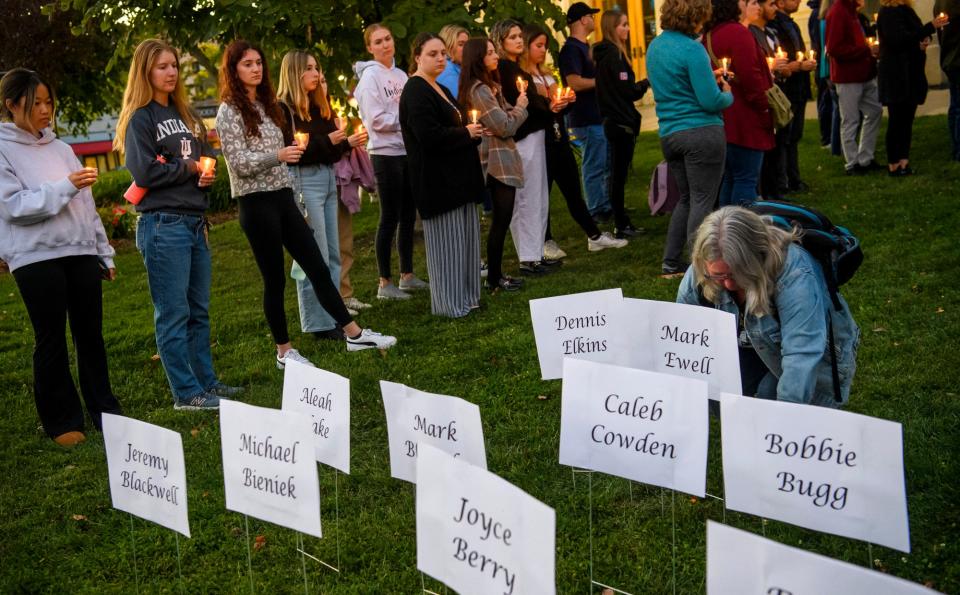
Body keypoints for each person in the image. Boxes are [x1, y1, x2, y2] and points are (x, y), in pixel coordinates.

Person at [216, 40, 396, 366]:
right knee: (274, 279)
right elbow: (239, 163)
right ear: (233, 70)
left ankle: (354, 334)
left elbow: (293, 147)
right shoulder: (228, 111)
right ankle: (284, 352)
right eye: (247, 64)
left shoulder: (272, 107)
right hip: (255, 204)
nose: (256, 68)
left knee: (317, 265)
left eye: (258, 62)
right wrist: (279, 155)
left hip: (284, 197)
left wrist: (295, 150)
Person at [115, 39, 240, 411]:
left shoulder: (186, 115)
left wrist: (205, 172)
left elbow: (205, 156)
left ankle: (206, 382)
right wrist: (186, 169)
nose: (170, 72)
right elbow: (143, 170)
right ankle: (186, 394)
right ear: (145, 72)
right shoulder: (141, 117)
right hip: (162, 224)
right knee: (173, 314)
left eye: (173, 65)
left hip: (194, 222)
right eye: (161, 67)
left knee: (198, 311)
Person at [0, 68, 121, 445]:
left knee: (91, 335)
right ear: (10, 105)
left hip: (80, 252)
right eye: (35, 102)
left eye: (48, 101)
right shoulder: (2, 148)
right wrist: (63, 186)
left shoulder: (63, 149)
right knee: (50, 338)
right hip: (35, 258)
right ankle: (62, 421)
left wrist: (103, 251)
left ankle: (105, 410)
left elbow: (87, 206)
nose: (45, 109)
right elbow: (14, 206)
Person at [677, 207, 860, 407]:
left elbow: (802, 353)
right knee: (717, 400)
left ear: (757, 257)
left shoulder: (795, 273)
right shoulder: (705, 263)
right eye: (719, 276)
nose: (728, 285)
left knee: (770, 398)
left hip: (811, 353)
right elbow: (683, 334)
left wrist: (777, 424)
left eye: (737, 273)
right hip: (751, 343)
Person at [277, 50, 368, 339]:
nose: (316, 74)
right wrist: (326, 142)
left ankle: (333, 314)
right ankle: (318, 323)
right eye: (309, 69)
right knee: (311, 254)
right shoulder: (284, 110)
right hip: (304, 182)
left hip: (328, 177)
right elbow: (294, 154)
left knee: (332, 252)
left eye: (317, 68)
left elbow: (331, 148)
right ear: (294, 73)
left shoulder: (319, 105)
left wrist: (344, 143)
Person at [522, 23, 628, 256]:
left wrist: (565, 102)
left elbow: (558, 108)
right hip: (541, 140)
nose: (543, 51)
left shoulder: (547, 74)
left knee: (572, 189)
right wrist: (551, 106)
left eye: (545, 46)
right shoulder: (524, 78)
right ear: (526, 47)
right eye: (538, 46)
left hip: (559, 136)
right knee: (543, 193)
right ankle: (545, 239)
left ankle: (594, 235)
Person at [400, 33, 486, 316]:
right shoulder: (415, 90)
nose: (440, 59)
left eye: (443, 55)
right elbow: (428, 136)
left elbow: (459, 123)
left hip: (459, 178)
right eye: (433, 54)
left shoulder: (441, 88)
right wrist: (465, 133)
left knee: (466, 243)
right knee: (448, 247)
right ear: (417, 57)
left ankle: (468, 298)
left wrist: (470, 132)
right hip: (437, 181)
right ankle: (450, 305)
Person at [647, 0, 733, 277]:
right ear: (697, 16)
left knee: (685, 199)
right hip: (701, 132)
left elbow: (677, 84)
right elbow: (710, 100)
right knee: (702, 200)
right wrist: (728, 93)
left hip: (670, 133)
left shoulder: (655, 47)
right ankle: (700, 267)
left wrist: (709, 77)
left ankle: (671, 263)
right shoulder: (693, 49)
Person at [354, 23, 428, 301]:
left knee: (409, 214)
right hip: (384, 154)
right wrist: (406, 122)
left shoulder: (400, 74)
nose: (385, 44)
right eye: (378, 41)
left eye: (388, 39)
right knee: (389, 217)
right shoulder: (369, 79)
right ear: (370, 48)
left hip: (406, 150)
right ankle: (384, 282)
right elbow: (375, 121)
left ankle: (407, 275)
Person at [460, 37, 529, 292]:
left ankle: (497, 275)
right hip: (495, 160)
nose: (495, 56)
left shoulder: (492, 86)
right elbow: (505, 125)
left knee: (503, 216)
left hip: (502, 155)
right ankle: (494, 277)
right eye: (489, 52)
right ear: (478, 58)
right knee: (500, 218)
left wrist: (510, 115)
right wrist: (520, 108)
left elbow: (504, 120)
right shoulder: (479, 90)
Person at [492, 19, 559, 274]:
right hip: (523, 137)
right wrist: (546, 107)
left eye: (520, 36)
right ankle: (528, 256)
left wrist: (549, 106)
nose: (519, 40)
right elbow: (522, 105)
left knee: (538, 194)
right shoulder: (505, 69)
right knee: (527, 195)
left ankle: (535, 251)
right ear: (501, 41)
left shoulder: (515, 67)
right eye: (512, 37)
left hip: (535, 133)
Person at [704, 0, 776, 205]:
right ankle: (741, 231)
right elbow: (751, 78)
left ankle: (726, 230)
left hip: (723, 114)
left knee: (730, 177)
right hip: (744, 115)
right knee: (746, 178)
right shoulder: (738, 33)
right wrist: (764, 106)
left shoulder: (710, 34)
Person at [594, 9, 650, 238]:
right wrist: (646, 83)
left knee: (618, 175)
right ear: (612, 28)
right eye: (623, 25)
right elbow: (627, 91)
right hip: (619, 122)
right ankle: (621, 223)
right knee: (618, 176)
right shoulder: (613, 56)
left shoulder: (609, 55)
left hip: (615, 120)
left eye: (628, 24)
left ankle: (621, 220)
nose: (627, 29)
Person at [878, 4, 949, 175]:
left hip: (911, 72)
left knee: (907, 120)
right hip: (897, 74)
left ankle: (904, 160)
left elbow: (915, 33)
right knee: (897, 120)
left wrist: (925, 39)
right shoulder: (888, 13)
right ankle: (894, 163)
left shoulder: (907, 10)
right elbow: (898, 40)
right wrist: (930, 27)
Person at [559, 1, 612, 223]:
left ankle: (605, 203)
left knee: (604, 161)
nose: (593, 19)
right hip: (585, 117)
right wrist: (601, 81)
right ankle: (596, 208)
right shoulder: (571, 49)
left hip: (597, 116)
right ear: (582, 20)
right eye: (591, 16)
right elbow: (574, 82)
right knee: (593, 163)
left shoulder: (586, 47)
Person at [826, 0, 884, 175]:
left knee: (874, 111)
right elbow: (835, 48)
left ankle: (865, 157)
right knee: (850, 119)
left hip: (864, 72)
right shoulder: (838, 12)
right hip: (847, 76)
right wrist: (865, 50)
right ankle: (852, 163)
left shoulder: (852, 12)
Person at [767, 0, 817, 194]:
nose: (798, 1)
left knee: (794, 136)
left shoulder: (791, 23)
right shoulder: (774, 25)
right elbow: (781, 59)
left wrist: (804, 62)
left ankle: (794, 178)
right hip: (786, 88)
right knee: (784, 137)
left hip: (798, 87)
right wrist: (795, 66)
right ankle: (783, 181)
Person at [936, 0, 960, 161]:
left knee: (955, 106)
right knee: (958, 108)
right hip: (957, 58)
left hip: (949, 59)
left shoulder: (940, 3)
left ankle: (956, 146)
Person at [436, 24, 469, 98]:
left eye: (467, 45)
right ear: (448, 45)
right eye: (461, 44)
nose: (467, 49)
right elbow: (461, 102)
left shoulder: (458, 67)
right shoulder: (446, 69)